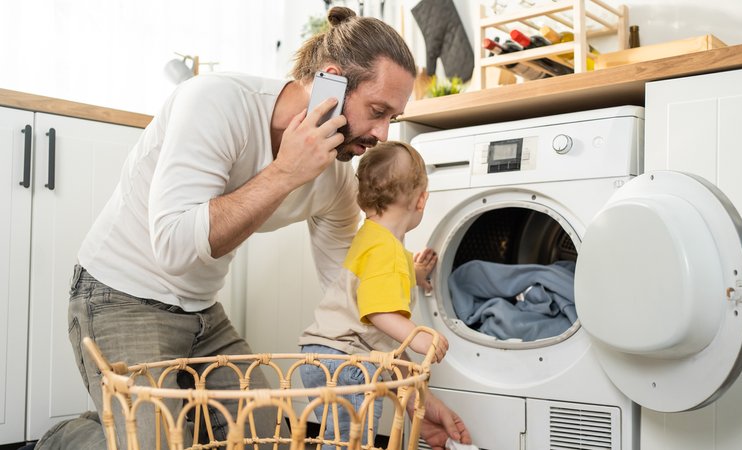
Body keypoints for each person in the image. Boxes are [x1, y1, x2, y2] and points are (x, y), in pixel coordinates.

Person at [30, 6, 469, 450]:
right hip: (118, 295)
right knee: (154, 444)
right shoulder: (215, 102)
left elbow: (350, 296)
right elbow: (175, 248)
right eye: (377, 110)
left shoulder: (336, 180)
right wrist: (285, 171)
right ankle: (65, 439)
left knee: (272, 438)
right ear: (331, 83)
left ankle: (145, 424)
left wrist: (410, 394)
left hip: (202, 313)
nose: (382, 133)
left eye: (392, 117)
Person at [298, 141, 453, 448]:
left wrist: (418, 274)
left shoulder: (371, 237)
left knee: (339, 438)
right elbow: (379, 310)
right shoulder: (387, 252)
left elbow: (381, 276)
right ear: (421, 200)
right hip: (347, 360)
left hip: (322, 354)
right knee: (354, 443)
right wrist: (419, 338)